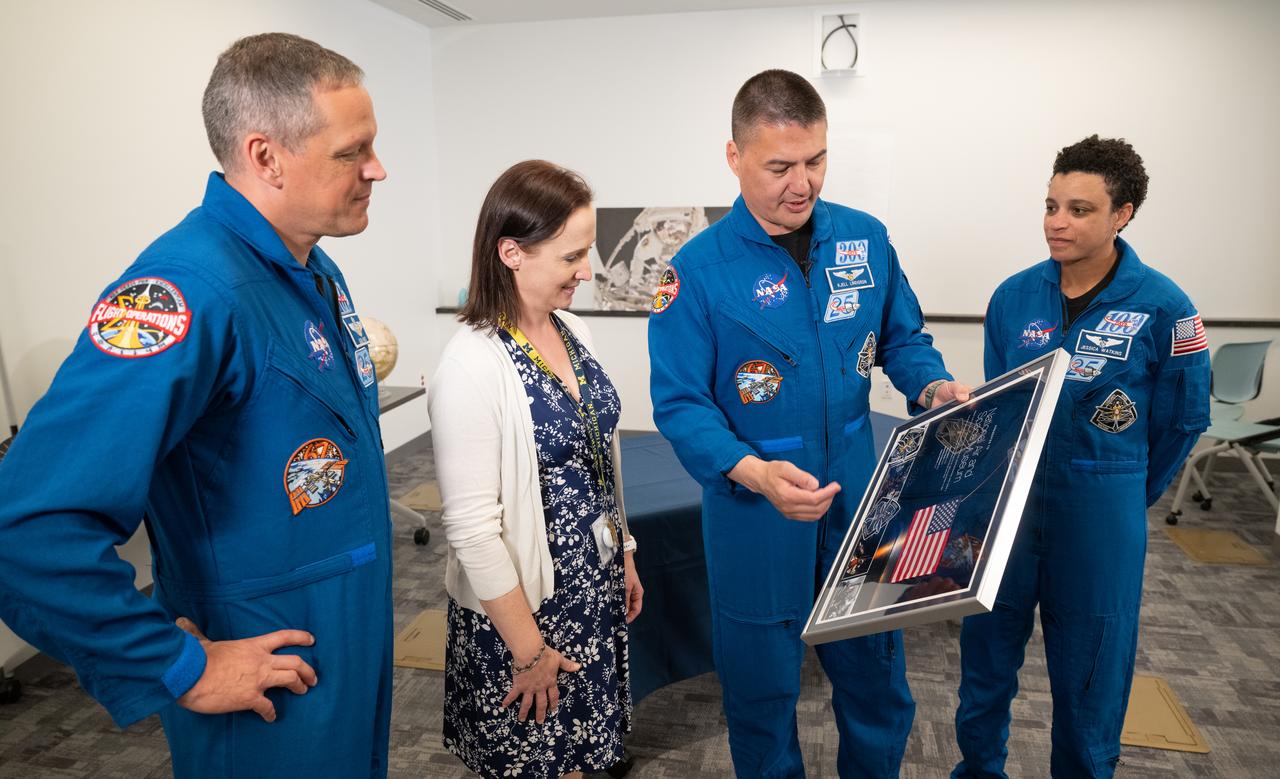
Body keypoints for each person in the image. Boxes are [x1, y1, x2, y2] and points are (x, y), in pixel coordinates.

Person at [0, 33, 393, 776]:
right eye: (353, 151)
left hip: (342, 640)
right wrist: (179, 664)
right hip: (265, 672)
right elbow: (28, 528)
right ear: (265, 155)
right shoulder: (186, 294)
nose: (377, 169)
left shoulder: (309, 267)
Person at [647, 69, 969, 777]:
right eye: (780, 166)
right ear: (734, 158)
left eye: (816, 160)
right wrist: (753, 472)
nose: (803, 183)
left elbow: (903, 338)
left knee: (878, 683)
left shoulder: (864, 238)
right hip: (756, 507)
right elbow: (680, 403)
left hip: (861, 497)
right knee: (761, 693)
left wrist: (932, 385)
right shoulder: (694, 271)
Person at [952, 136, 1211, 778]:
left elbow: (1183, 420)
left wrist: (1121, 489)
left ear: (1122, 214)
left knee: (1091, 675)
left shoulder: (1164, 307)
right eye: (1051, 205)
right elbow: (1000, 403)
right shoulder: (1013, 297)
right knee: (985, 664)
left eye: (1079, 210)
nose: (1056, 223)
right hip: (1009, 511)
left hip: (1100, 515)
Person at [429, 160, 644, 779]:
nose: (587, 271)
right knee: (536, 761)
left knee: (575, 759)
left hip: (590, 592)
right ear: (512, 253)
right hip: (526, 616)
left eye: (589, 252)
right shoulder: (472, 363)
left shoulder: (572, 329)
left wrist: (622, 552)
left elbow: (600, 457)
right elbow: (472, 529)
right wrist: (528, 653)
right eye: (571, 256)